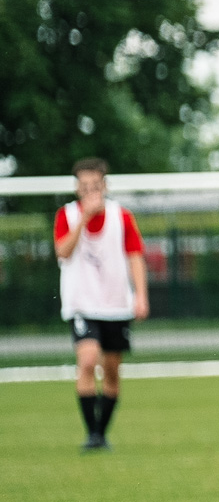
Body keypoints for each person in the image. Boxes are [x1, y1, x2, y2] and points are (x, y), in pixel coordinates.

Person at [54, 157, 149, 452]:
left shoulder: (122, 216)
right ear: (77, 188)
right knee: (87, 360)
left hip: (116, 304)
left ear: (105, 185)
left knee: (111, 371)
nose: (91, 190)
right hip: (81, 304)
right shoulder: (67, 216)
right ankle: (92, 434)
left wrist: (141, 296)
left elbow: (135, 256)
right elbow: (63, 252)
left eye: (96, 185)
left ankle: (101, 433)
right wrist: (84, 218)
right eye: (85, 186)